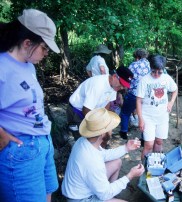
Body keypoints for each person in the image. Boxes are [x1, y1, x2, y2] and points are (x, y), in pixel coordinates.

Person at [0, 9, 60, 202]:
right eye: (44, 48)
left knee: (48, 193)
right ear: (27, 43)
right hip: (20, 151)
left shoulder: (29, 65)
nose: (46, 53)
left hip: (42, 142)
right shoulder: (2, 67)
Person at [62, 108, 145, 201]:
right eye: (110, 128)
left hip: (81, 188)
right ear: (102, 134)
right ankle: (109, 194)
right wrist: (130, 175)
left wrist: (126, 147)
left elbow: (104, 154)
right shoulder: (93, 161)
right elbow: (104, 194)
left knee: (117, 162)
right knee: (111, 197)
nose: (112, 131)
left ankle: (110, 195)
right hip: (81, 199)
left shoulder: (84, 141)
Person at [67, 66, 133, 147]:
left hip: (93, 113)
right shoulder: (98, 85)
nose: (122, 88)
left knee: (104, 136)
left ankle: (99, 154)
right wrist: (99, 128)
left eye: (124, 86)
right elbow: (86, 109)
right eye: (122, 84)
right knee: (84, 143)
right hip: (78, 112)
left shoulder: (113, 86)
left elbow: (107, 104)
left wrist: (106, 124)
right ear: (114, 77)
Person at [136, 55, 178, 159]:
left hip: (162, 117)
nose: (156, 74)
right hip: (148, 117)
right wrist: (140, 119)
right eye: (154, 71)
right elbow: (138, 100)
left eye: (160, 72)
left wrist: (171, 102)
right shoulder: (144, 80)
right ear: (150, 68)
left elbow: (175, 90)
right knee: (149, 145)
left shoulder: (167, 78)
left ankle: (155, 165)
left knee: (159, 142)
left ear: (163, 70)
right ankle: (144, 168)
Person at [119, 48, 151, 139]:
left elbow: (126, 78)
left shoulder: (133, 65)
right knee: (144, 115)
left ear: (137, 57)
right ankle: (144, 137)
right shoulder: (149, 65)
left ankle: (124, 132)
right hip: (146, 94)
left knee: (125, 112)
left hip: (134, 93)